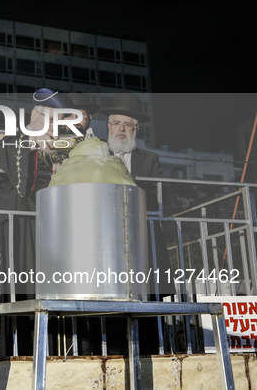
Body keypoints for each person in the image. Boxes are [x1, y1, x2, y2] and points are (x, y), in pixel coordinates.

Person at [0, 89, 79, 356]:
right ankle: (17, 353)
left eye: (58, 122)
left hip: (53, 228)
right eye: (49, 120)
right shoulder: (12, 141)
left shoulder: (64, 147)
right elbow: (22, 183)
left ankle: (53, 352)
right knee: (19, 290)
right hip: (21, 228)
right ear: (34, 115)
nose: (54, 128)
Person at [100, 93, 173, 355]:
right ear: (108, 127)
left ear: (135, 129)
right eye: (117, 123)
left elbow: (158, 196)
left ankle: (151, 352)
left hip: (143, 239)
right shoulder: (97, 155)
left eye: (127, 124)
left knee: (148, 300)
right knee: (111, 300)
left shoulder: (149, 159)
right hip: (108, 242)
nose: (121, 129)